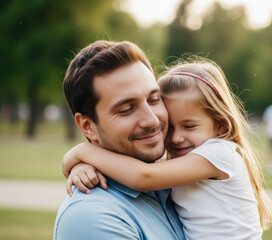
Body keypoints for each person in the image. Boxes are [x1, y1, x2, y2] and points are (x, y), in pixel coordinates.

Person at [63, 57, 272, 239]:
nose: (176, 137)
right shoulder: (91, 215)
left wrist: (82, 153)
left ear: (220, 125)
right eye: (171, 127)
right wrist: (82, 166)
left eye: (189, 126)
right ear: (87, 126)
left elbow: (143, 176)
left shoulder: (220, 153)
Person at [53, 40, 185, 240]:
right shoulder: (91, 217)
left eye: (154, 99)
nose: (151, 120)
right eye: (126, 109)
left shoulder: (176, 185)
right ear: (88, 126)